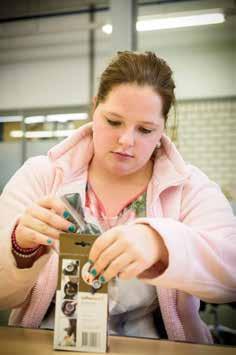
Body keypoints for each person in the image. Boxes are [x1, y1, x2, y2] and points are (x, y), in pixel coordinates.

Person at [0, 51, 235, 344]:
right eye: (113, 122)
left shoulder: (189, 187)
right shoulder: (41, 176)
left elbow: (231, 276)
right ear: (94, 108)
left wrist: (161, 244)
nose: (126, 141)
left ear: (163, 127)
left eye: (146, 130)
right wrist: (19, 248)